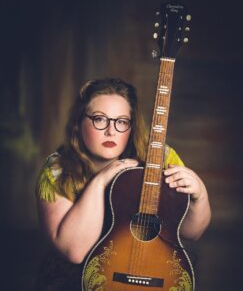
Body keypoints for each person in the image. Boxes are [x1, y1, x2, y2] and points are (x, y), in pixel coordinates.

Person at [35, 78, 211, 290]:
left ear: (132, 125)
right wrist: (100, 182)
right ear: (79, 122)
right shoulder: (57, 170)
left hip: (151, 272)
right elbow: (75, 251)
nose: (111, 131)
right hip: (75, 281)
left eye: (121, 121)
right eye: (99, 119)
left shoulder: (160, 158)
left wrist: (199, 195)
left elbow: (191, 233)